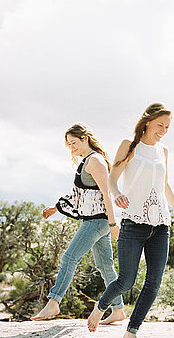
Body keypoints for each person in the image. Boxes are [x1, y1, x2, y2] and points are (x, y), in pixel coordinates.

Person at [87, 103, 174, 338]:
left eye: (167, 127)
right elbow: (112, 177)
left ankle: (131, 331)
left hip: (161, 224)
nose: (163, 131)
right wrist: (117, 193)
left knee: (154, 280)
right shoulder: (130, 146)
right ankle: (101, 306)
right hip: (134, 222)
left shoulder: (163, 151)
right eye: (160, 125)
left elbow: (164, 185)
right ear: (148, 122)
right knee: (126, 280)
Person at [31, 124, 125, 323]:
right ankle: (118, 310)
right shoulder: (86, 162)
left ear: (85, 139)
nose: (71, 148)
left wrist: (113, 223)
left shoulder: (96, 161)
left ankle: (54, 302)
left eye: (74, 143)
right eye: (69, 145)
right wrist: (55, 208)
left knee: (69, 258)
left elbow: (107, 194)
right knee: (105, 266)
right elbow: (78, 195)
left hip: (97, 221)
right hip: (98, 221)